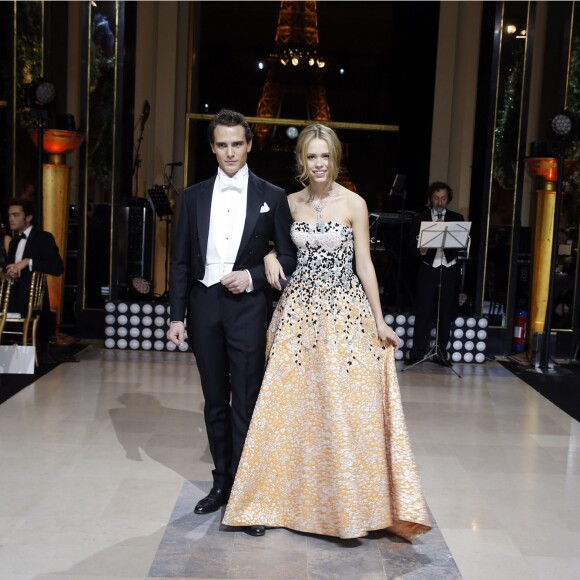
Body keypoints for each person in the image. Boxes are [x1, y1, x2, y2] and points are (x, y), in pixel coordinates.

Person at [222, 124, 432, 541]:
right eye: (310, 157)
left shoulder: (354, 203)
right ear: (301, 160)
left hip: (344, 313)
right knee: (292, 408)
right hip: (298, 314)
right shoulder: (288, 203)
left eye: (324, 156)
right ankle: (280, 501)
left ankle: (348, 506)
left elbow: (365, 265)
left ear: (335, 159)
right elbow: (275, 245)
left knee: (341, 406)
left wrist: (380, 319)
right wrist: (266, 255)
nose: (318, 164)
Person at [166, 109, 296, 535]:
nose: (230, 152)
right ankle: (221, 485)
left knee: (246, 400)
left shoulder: (272, 195)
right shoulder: (193, 196)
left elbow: (290, 258)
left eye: (237, 143)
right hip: (204, 306)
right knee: (214, 400)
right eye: (222, 144)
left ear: (250, 144)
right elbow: (181, 261)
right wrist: (176, 315)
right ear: (212, 147)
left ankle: (247, 494)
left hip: (247, 309)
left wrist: (255, 275)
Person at [405, 181, 465, 367]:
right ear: (431, 199)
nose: (440, 202)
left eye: (444, 198)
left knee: (445, 312)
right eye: (436, 198)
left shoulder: (457, 218)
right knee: (423, 311)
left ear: (448, 199)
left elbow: (461, 244)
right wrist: (423, 247)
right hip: (428, 269)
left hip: (449, 269)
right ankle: (417, 352)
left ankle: (441, 352)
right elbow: (412, 249)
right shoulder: (420, 218)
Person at [4, 198, 64, 357]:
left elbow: (58, 268)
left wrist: (28, 262)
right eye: (9, 215)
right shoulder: (15, 242)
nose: (11, 219)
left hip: (29, 300)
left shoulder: (43, 238)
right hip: (12, 296)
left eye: (16, 215)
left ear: (28, 218)